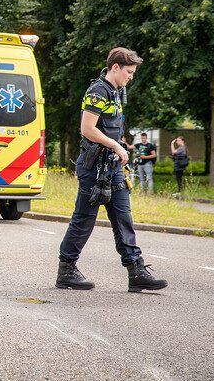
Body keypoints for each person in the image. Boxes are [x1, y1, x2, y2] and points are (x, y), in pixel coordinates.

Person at [56, 47, 168, 292]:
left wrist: (121, 145)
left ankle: (135, 270)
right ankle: (67, 269)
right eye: (129, 72)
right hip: (94, 166)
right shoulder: (97, 92)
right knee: (84, 219)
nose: (131, 76)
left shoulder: (117, 91)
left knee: (123, 216)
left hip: (112, 166)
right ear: (115, 67)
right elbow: (87, 129)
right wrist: (116, 145)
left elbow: (110, 127)